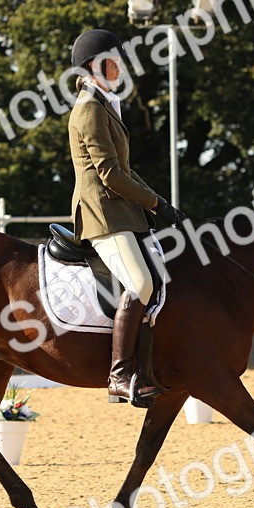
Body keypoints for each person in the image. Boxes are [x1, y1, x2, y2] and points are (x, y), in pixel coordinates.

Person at [67, 28, 185, 407]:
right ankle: (119, 375)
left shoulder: (104, 106)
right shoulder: (87, 111)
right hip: (102, 212)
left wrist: (160, 203)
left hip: (123, 211)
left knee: (162, 280)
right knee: (140, 283)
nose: (119, 67)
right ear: (92, 67)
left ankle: (150, 368)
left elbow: (126, 169)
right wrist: (153, 204)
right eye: (112, 62)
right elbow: (109, 174)